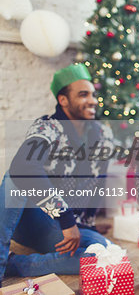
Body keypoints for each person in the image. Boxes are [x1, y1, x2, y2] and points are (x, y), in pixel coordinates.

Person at [0, 64, 111, 285]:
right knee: (16, 175)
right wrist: (66, 219)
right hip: (32, 217)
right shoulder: (46, 128)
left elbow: (97, 185)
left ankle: (16, 264)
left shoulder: (102, 134)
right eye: (83, 94)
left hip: (59, 229)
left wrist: (86, 226)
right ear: (63, 100)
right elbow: (24, 168)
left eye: (93, 94)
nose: (92, 100)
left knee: (101, 252)